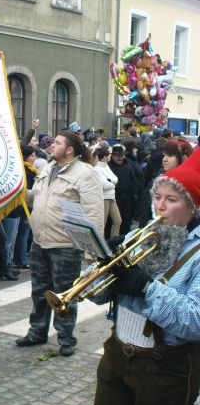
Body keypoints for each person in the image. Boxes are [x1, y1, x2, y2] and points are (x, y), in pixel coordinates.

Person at [61, 147, 200, 405]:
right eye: (158, 196)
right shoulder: (146, 236)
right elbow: (98, 295)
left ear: (192, 207)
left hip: (168, 365)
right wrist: (103, 266)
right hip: (119, 353)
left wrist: (142, 285)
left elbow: (193, 320)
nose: (160, 206)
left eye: (171, 200)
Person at [17, 131, 104, 354]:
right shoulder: (47, 168)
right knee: (39, 291)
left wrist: (91, 250)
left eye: (57, 143)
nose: (51, 146)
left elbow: (94, 212)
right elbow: (35, 197)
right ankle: (37, 331)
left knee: (65, 295)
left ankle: (66, 339)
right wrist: (19, 191)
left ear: (69, 150)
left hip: (65, 245)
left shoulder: (86, 174)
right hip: (40, 241)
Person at [108, 144, 143, 235]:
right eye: (117, 156)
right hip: (114, 200)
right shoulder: (108, 167)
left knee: (126, 223)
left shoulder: (128, 166)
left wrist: (135, 196)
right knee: (113, 222)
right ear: (112, 156)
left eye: (122, 155)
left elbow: (134, 181)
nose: (120, 158)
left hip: (128, 200)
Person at [14, 145, 38, 269]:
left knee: (24, 235)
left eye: (35, 155)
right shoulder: (25, 171)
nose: (34, 158)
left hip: (30, 206)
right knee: (22, 235)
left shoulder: (31, 170)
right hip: (25, 207)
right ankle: (21, 260)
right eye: (32, 156)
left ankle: (21, 259)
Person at [93, 148, 121, 237]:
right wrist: (112, 183)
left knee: (118, 221)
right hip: (104, 198)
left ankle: (114, 243)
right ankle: (101, 246)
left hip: (111, 196)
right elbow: (104, 184)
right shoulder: (97, 168)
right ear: (104, 156)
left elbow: (115, 178)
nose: (109, 157)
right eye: (108, 155)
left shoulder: (106, 166)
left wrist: (110, 181)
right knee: (102, 225)